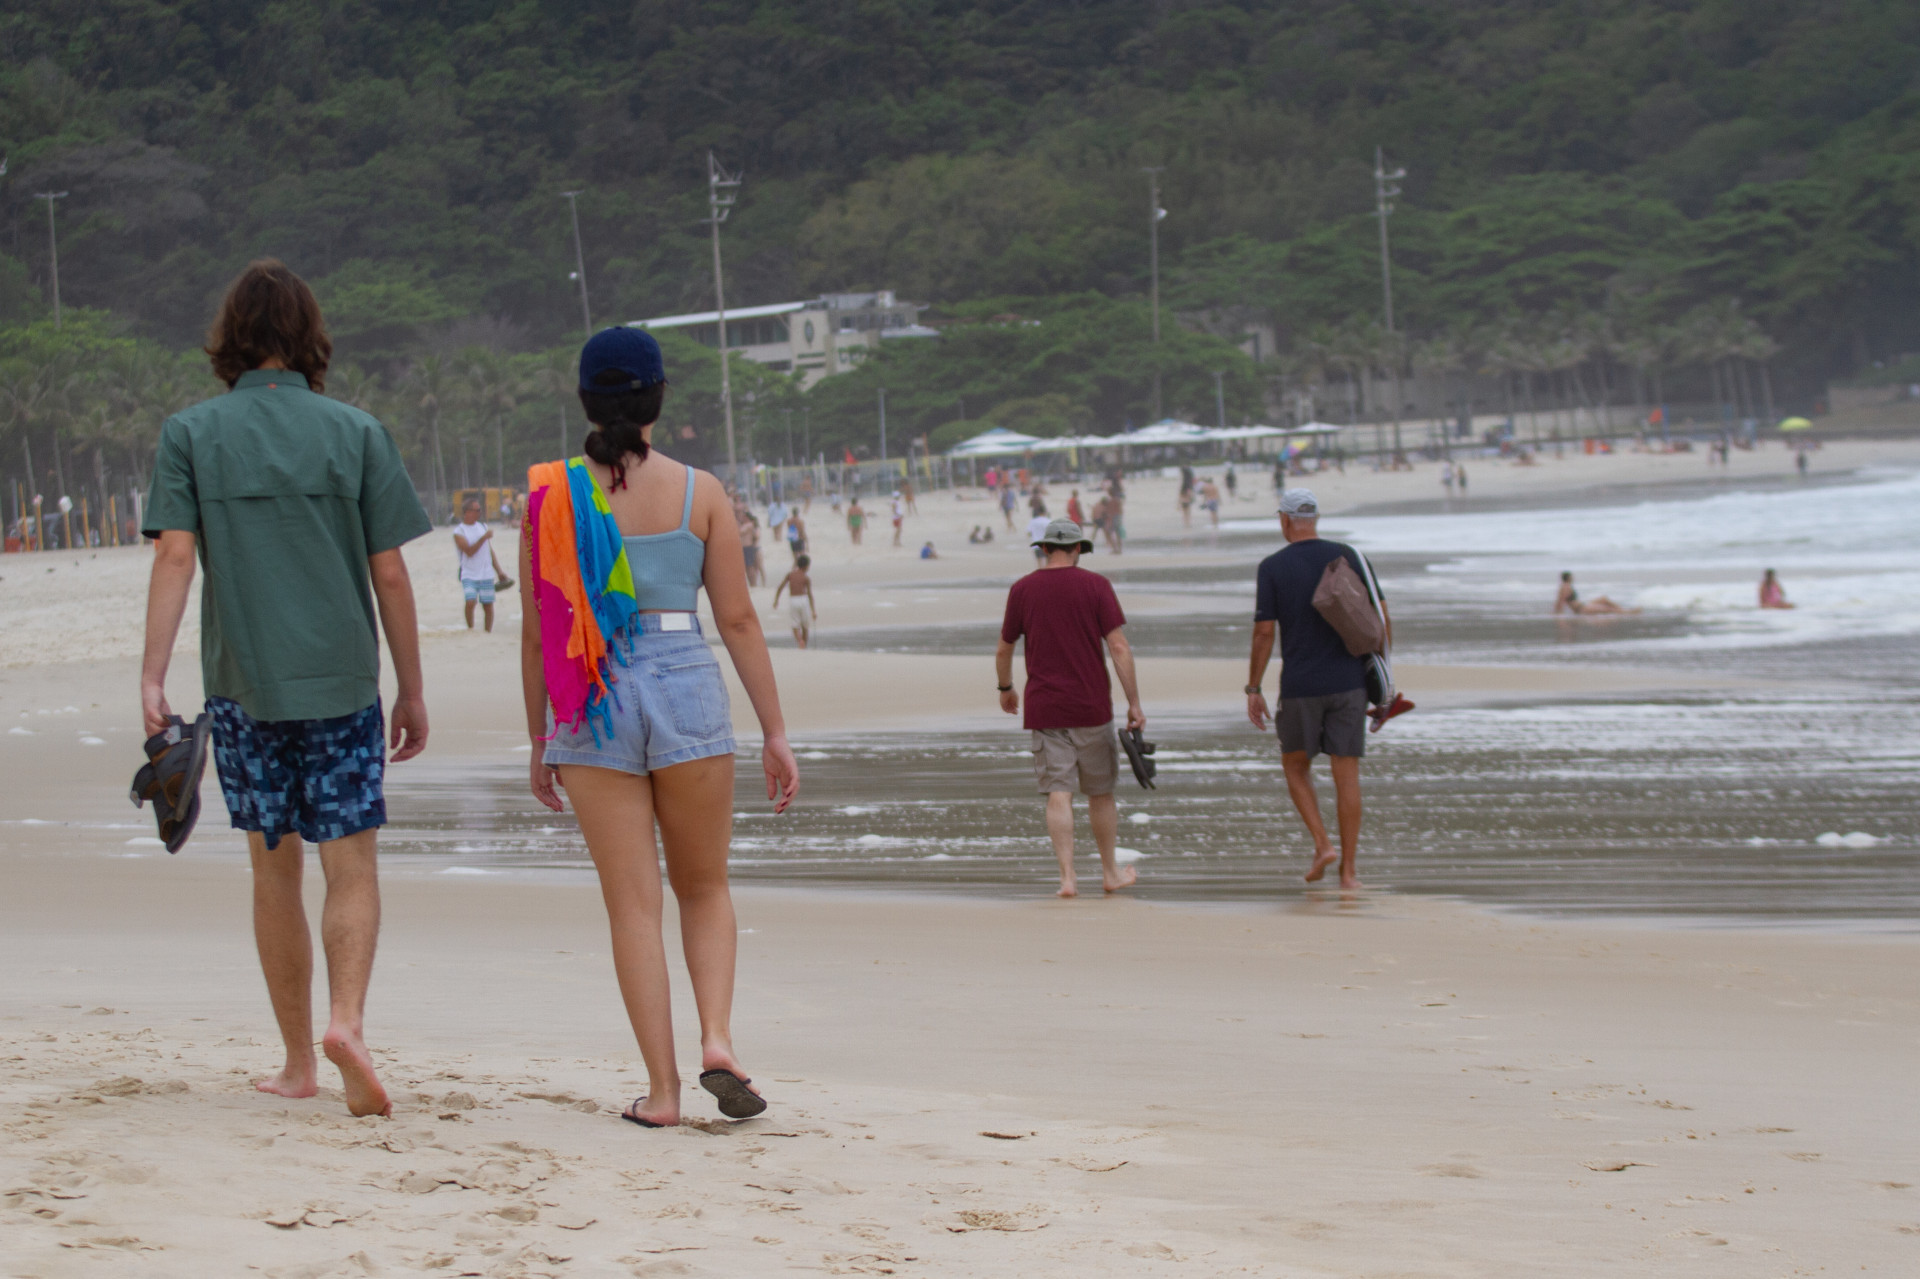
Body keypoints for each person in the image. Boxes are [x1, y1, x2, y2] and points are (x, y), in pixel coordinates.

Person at [140, 259, 430, 1117]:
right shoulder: (357, 432)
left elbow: (174, 555)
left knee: (275, 871)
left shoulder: (191, 433)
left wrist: (152, 674)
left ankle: (301, 1061)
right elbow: (391, 573)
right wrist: (411, 687)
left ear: (230, 338)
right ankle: (347, 1020)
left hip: (243, 686)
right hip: (340, 680)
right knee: (352, 862)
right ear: (309, 338)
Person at [522, 326, 799, 1127]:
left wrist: (541, 736)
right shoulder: (700, 491)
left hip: (593, 689)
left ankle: (665, 1091)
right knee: (705, 887)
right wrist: (775, 731)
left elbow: (540, 630)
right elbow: (739, 619)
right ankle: (716, 1036)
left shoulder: (553, 495)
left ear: (584, 399)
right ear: (658, 399)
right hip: (685, 682)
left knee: (633, 905)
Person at [996, 519, 1144, 898]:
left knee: (1058, 792)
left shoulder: (1023, 589)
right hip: (1091, 706)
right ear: (1078, 548)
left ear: (1044, 548)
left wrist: (1006, 687)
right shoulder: (1096, 586)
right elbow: (1119, 647)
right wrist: (1134, 703)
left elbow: (1005, 646)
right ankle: (1110, 872)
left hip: (1046, 708)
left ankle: (1067, 878)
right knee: (1100, 793)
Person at [1245, 489, 1383, 891]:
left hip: (1302, 685)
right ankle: (1350, 872)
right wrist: (1384, 685)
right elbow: (1380, 619)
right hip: (1351, 684)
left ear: (1285, 520)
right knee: (1347, 775)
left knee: (1295, 765)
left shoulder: (1273, 566)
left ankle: (1323, 845)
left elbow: (1264, 631)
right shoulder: (1352, 557)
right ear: (1316, 518)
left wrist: (1253, 687)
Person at [454, 497, 505, 631]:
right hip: (469, 573)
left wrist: (499, 571)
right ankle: (470, 628)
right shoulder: (459, 531)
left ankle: (487, 632)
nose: (479, 513)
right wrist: (483, 538)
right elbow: (469, 551)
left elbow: (489, 551)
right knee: (470, 602)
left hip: (486, 573)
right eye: (476, 510)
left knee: (488, 605)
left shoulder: (483, 527)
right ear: (467, 512)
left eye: (479, 510)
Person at [773, 553, 817, 646]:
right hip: (803, 600)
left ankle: (799, 640)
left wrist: (776, 600)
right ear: (806, 566)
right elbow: (810, 594)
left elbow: (780, 587)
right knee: (805, 625)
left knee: (795, 623)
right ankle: (804, 643)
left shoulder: (790, 575)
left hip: (793, 600)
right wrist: (813, 611)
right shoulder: (806, 578)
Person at [1553, 571, 1637, 615]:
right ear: (1568, 578)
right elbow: (1561, 601)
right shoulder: (1565, 587)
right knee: (1607, 609)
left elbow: (1560, 601)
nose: (1573, 578)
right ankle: (1627, 612)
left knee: (1604, 599)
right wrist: (1558, 614)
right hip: (1581, 609)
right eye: (1571, 577)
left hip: (1583, 605)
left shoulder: (1566, 586)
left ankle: (1623, 610)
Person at [739, 511, 764, 587]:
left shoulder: (749, 525)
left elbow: (740, 532)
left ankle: (754, 583)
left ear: (746, 517)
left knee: (750, 566)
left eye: (743, 517)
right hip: (745, 547)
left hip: (748, 547)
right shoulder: (746, 525)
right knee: (748, 567)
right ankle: (752, 583)